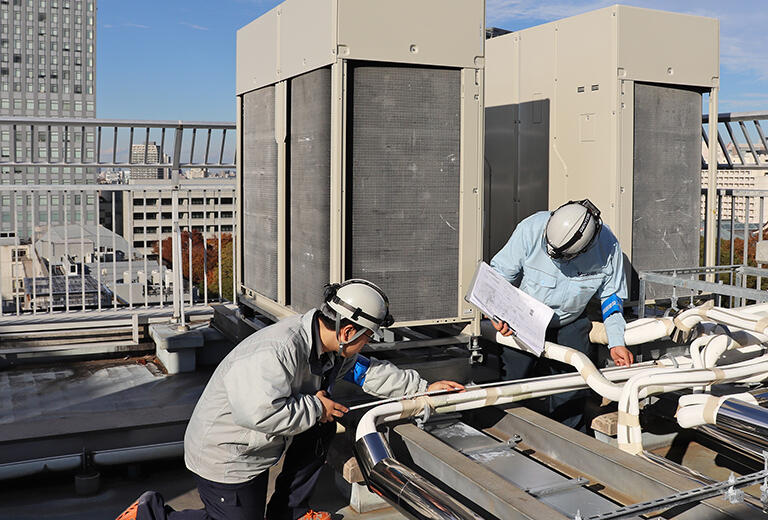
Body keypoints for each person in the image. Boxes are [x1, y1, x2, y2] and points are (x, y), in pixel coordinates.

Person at [117, 279, 464, 520]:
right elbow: (258, 413)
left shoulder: (331, 347)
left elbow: (367, 372)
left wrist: (423, 388)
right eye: (367, 337)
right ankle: (149, 513)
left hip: (256, 446)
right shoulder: (277, 350)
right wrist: (316, 407)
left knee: (322, 424)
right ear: (347, 331)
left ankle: (290, 512)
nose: (368, 344)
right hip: (225, 453)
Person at [489, 199, 633, 430]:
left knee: (571, 387)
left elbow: (611, 298)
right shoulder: (531, 228)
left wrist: (616, 343)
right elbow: (499, 276)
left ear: (585, 248)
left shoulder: (609, 248)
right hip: (524, 317)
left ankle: (568, 433)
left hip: (570, 320)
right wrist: (498, 312)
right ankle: (506, 430)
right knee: (513, 383)